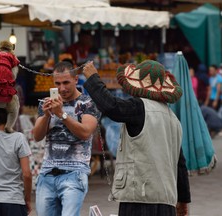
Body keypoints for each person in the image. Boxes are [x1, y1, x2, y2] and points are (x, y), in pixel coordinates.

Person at [82, 60, 191, 216]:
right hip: (166, 202)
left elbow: (112, 107)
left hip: (139, 199)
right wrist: (183, 200)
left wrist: (93, 79)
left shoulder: (139, 107)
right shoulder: (173, 120)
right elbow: (180, 165)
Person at [33, 61, 100, 216]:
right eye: (57, 83)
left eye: (66, 83)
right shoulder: (46, 103)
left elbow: (85, 133)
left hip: (74, 173)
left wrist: (61, 114)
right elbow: (37, 136)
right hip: (47, 173)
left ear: (76, 80)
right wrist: (46, 116)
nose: (62, 88)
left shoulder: (87, 103)